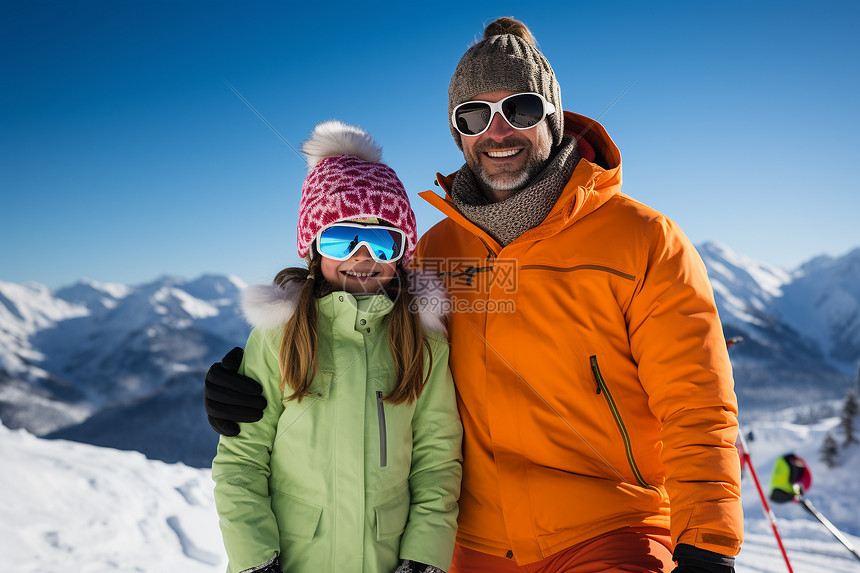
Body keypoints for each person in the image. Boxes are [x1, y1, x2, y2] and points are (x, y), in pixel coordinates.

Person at [205, 18, 743, 573]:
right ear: (458, 132)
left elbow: (696, 403)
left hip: (609, 529)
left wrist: (706, 542)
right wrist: (242, 385)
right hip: (474, 541)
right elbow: (357, 330)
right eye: (475, 115)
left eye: (522, 109)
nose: (499, 130)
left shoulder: (643, 241)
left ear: (553, 118)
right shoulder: (433, 252)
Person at [210, 120, 463, 573]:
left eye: (383, 241)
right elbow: (242, 461)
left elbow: (436, 462)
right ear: (313, 249)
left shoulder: (423, 346)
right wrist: (254, 559)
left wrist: (424, 556)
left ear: (402, 256)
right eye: (341, 238)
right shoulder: (279, 336)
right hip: (294, 558)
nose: (362, 256)